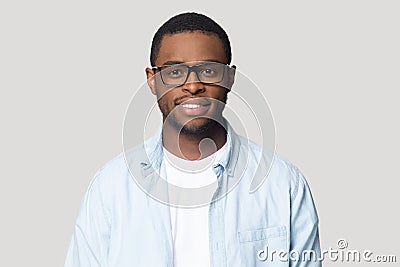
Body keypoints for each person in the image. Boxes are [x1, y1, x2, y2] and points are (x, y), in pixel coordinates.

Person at [65, 12, 321, 267]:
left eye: (209, 70)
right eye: (175, 71)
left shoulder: (281, 182)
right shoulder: (110, 187)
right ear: (152, 80)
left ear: (230, 78)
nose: (193, 85)